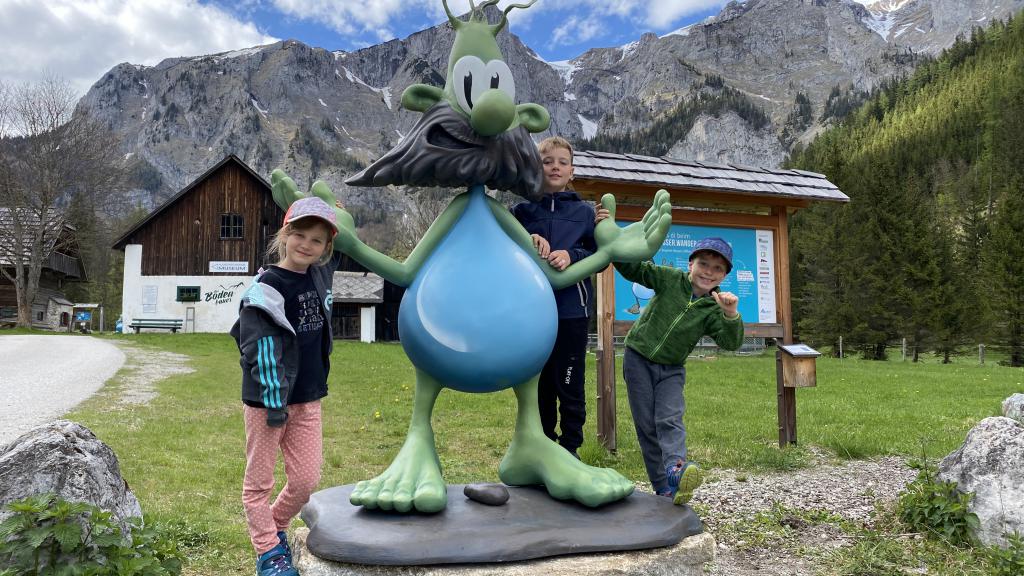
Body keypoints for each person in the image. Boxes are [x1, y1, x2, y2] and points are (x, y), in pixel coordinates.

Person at [230, 196, 343, 576]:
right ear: (284, 234)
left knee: (306, 481)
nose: (306, 245)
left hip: (308, 398)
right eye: (299, 235)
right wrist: (273, 400)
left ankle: (273, 529)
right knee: (258, 482)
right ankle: (267, 553)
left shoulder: (318, 275)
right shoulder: (264, 289)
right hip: (267, 402)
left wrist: (335, 211)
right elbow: (256, 348)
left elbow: (344, 241)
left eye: (317, 240)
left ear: (326, 248)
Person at [613, 237, 744, 505]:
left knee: (670, 419)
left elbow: (730, 342)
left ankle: (676, 469)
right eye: (703, 264)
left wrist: (731, 314)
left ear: (725, 275)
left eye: (717, 269)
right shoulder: (671, 279)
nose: (709, 272)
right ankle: (663, 487)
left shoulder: (713, 306)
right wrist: (613, 244)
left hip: (672, 370)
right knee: (647, 427)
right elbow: (635, 270)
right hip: (638, 359)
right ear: (690, 264)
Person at [511, 136, 596, 459]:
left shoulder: (585, 213)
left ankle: (571, 449)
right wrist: (527, 237)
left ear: (572, 171)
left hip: (572, 311)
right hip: (532, 312)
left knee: (570, 382)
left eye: (562, 162)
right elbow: (504, 244)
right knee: (540, 384)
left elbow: (595, 250)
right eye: (548, 162)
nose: (555, 167)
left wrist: (570, 255)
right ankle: (543, 446)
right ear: (537, 167)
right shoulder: (521, 211)